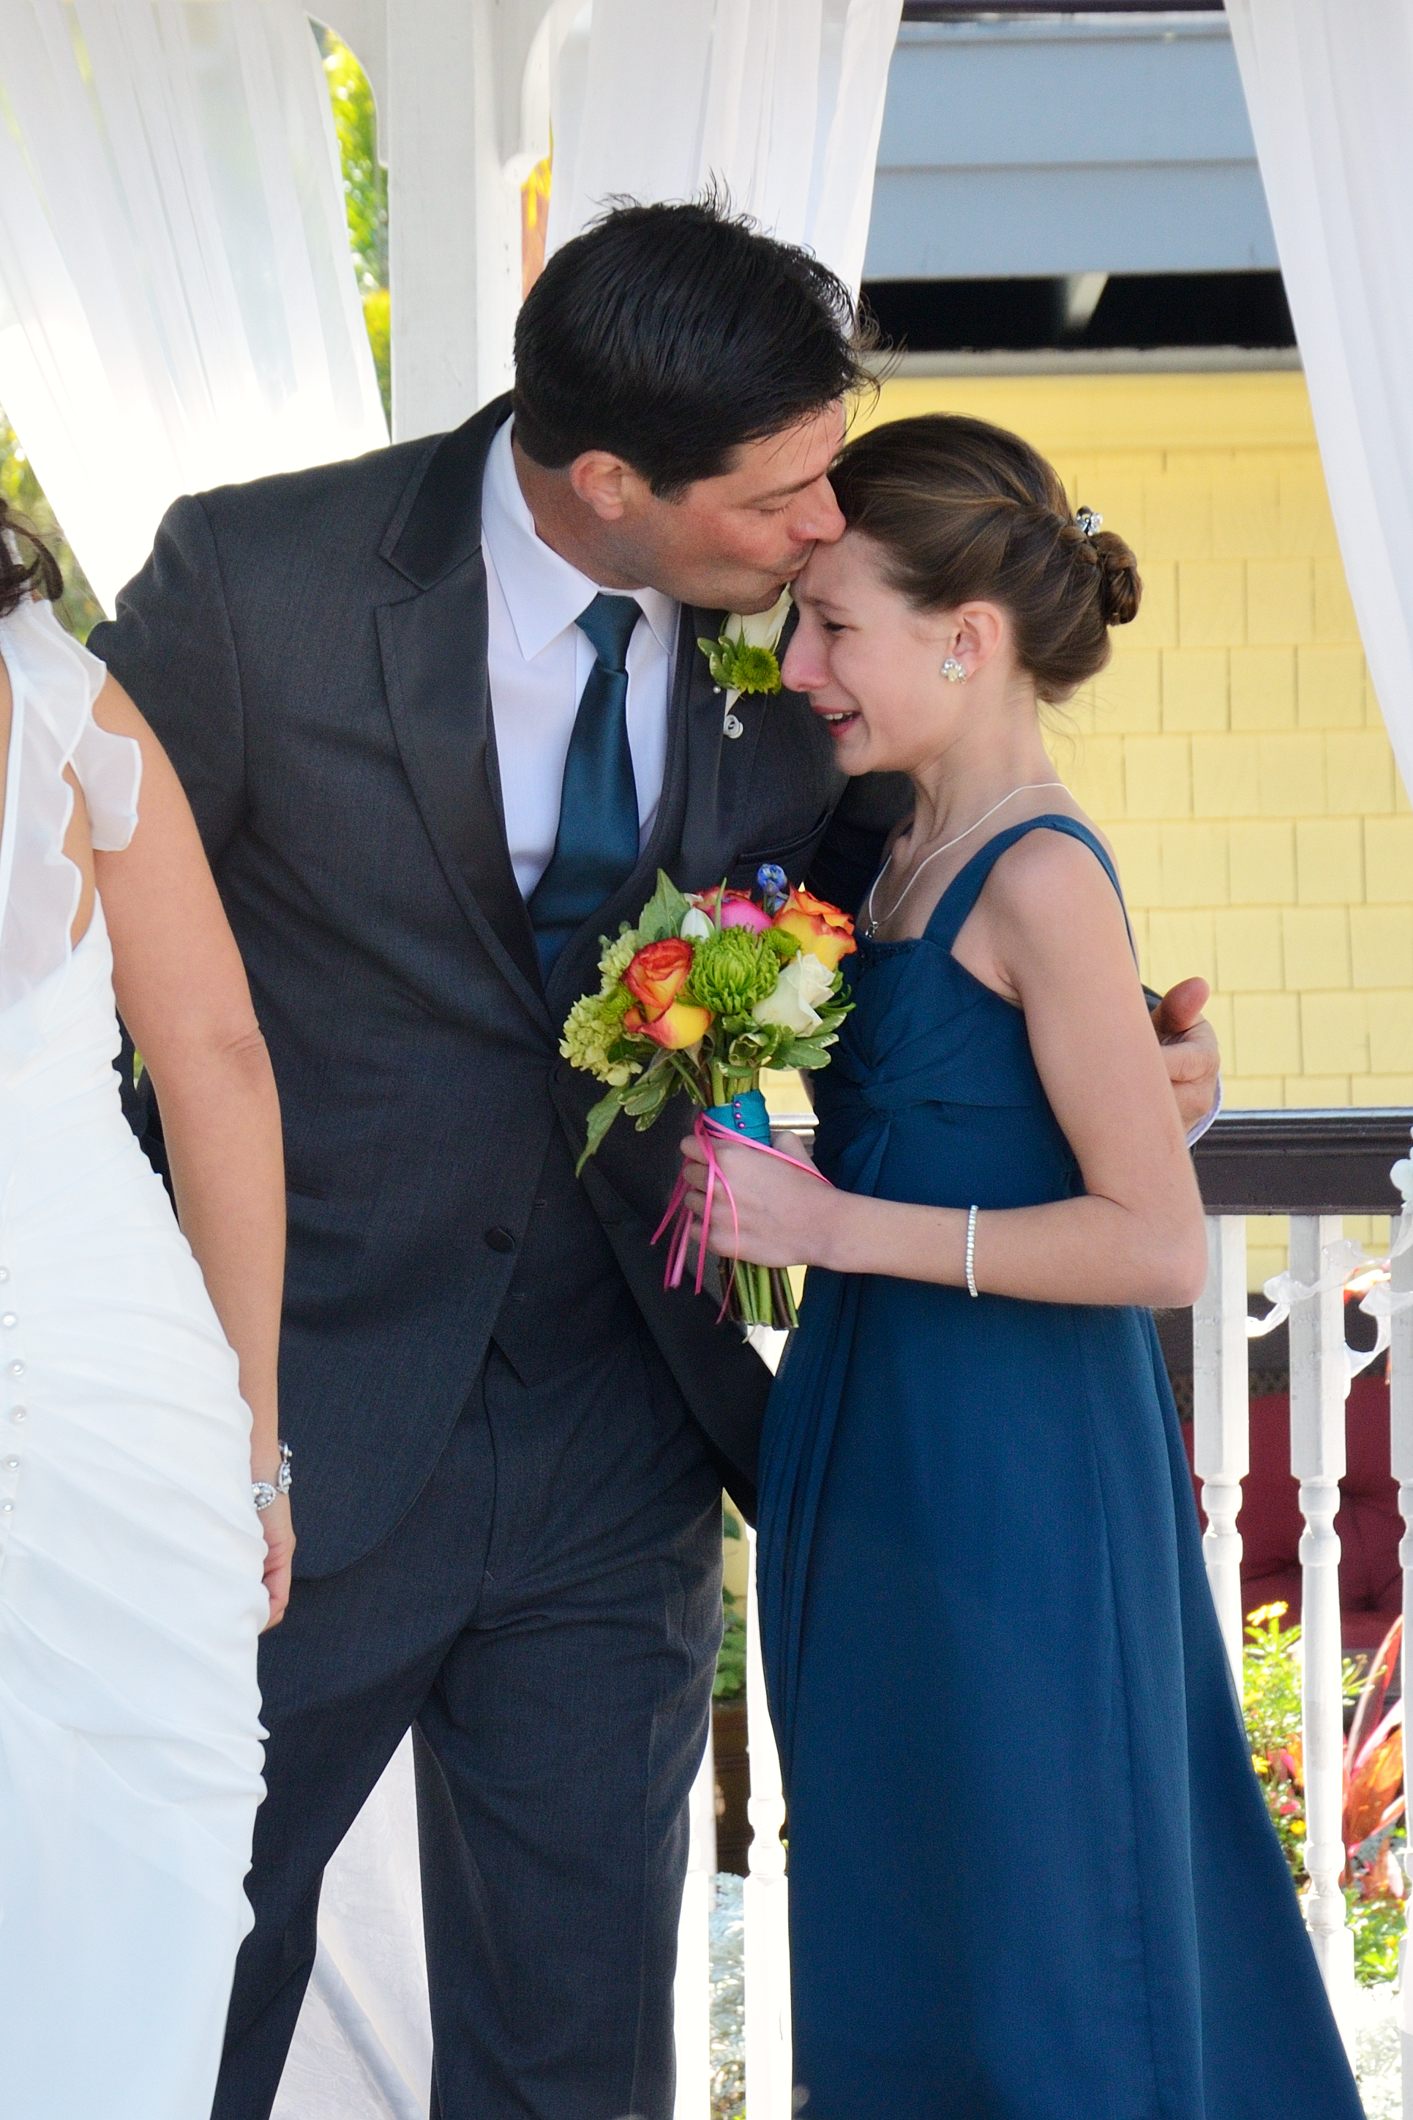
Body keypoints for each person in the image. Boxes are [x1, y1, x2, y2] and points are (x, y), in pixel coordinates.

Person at [89, 199, 1218, 2120]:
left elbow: (901, 894)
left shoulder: (800, 635)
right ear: (609, 481)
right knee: (182, 1979)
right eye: (778, 496)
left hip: (624, 1435)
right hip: (290, 1434)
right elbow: (54, 926)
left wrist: (1111, 1063)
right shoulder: (252, 584)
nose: (821, 527)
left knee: (581, 2045)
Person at [680, 413, 1362, 2119]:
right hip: (873, 1447)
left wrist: (832, 1227)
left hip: (1017, 1477)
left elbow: (1156, 1245)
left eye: (832, 623)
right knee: (901, 1906)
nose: (798, 666)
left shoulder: (1043, 877)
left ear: (965, 638)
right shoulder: (872, 847)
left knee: (1039, 1924)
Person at [0, 507, 291, 2118]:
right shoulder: (62, 695)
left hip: (88, 1374)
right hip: (126, 1382)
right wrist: (254, 1444)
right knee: (127, 1945)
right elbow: (218, 1065)